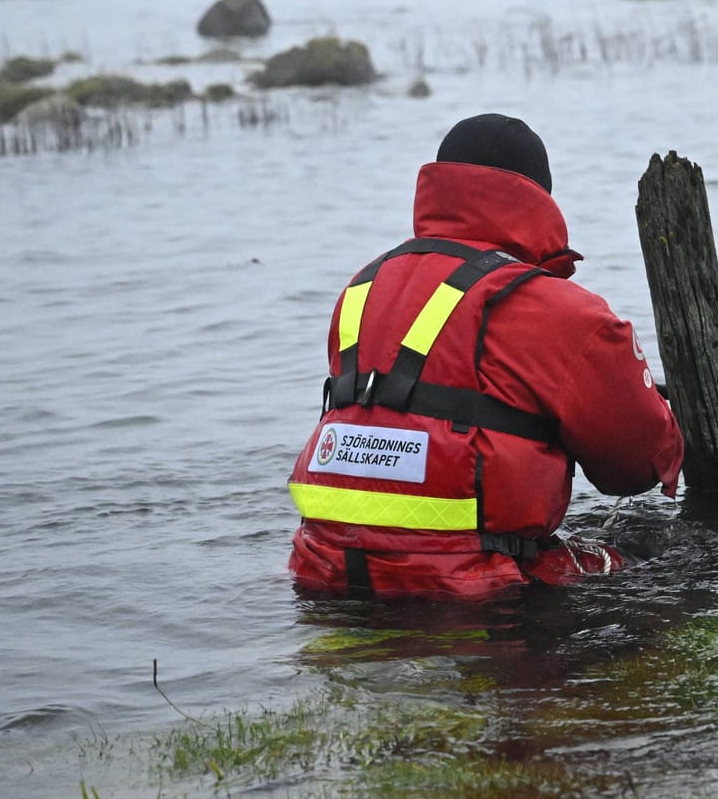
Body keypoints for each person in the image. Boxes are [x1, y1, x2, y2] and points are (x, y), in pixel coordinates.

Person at [287, 114, 684, 601]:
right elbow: (634, 467)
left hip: (322, 573)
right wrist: (663, 417)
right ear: (541, 198)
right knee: (676, 558)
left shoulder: (362, 287)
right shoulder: (566, 312)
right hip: (476, 593)